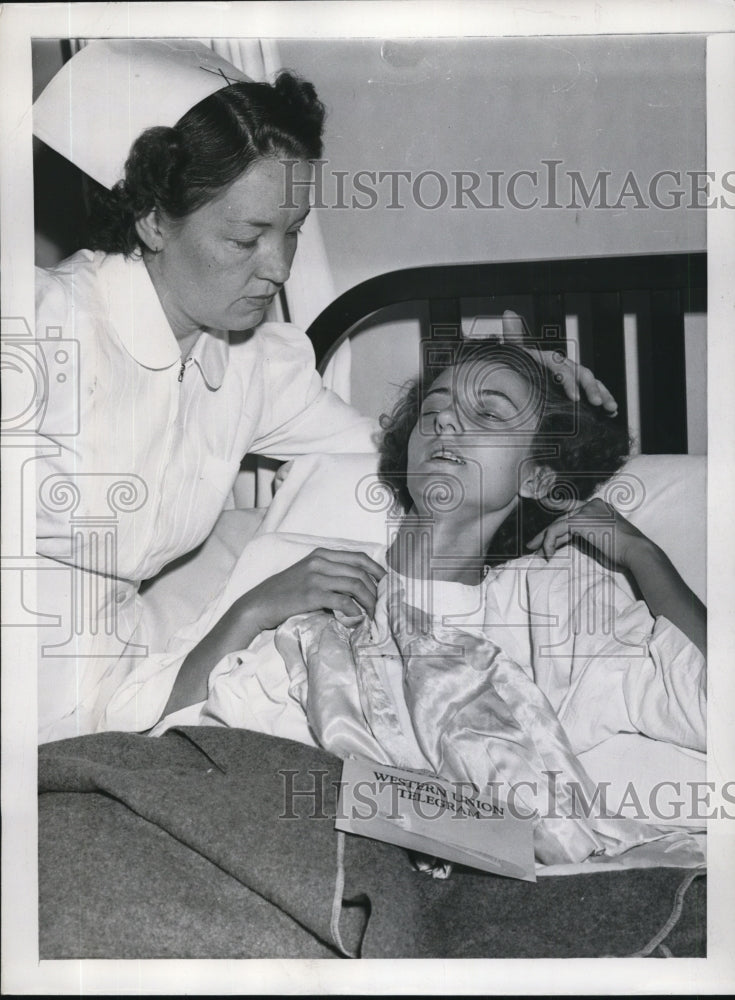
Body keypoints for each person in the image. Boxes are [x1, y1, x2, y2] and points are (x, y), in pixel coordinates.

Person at [33, 40, 618, 744]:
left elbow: (405, 452)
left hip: (116, 694)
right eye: (246, 238)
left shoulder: (247, 364)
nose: (276, 267)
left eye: (292, 232)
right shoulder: (41, 330)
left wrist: (533, 394)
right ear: (155, 220)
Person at [275, 341, 706, 863]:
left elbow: (712, 704)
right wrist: (252, 609)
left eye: (488, 412)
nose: (447, 422)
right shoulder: (306, 572)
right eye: (432, 410)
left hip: (401, 851)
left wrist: (644, 557)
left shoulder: (554, 603)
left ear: (537, 476)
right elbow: (177, 727)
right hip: (277, 820)